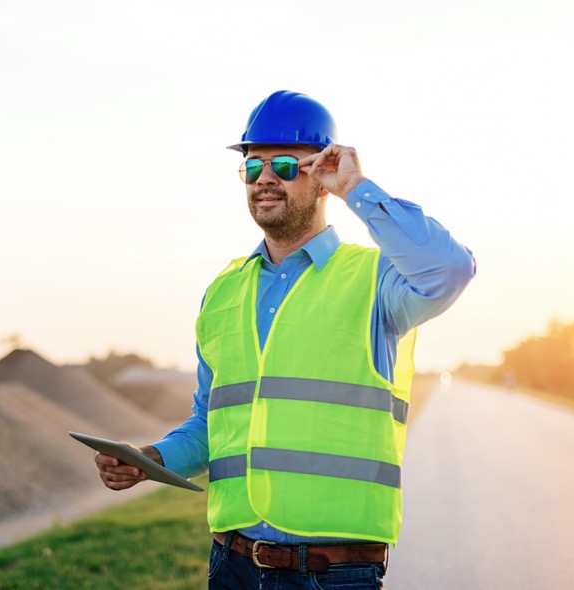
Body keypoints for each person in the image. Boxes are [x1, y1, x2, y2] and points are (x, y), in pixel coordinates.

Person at [95, 90, 475, 589]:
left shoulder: (377, 280)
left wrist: (357, 188)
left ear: (322, 177)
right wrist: (155, 459)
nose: (265, 179)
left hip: (331, 573)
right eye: (253, 168)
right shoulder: (223, 292)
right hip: (231, 564)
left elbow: (450, 270)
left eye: (284, 166)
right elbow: (213, 421)